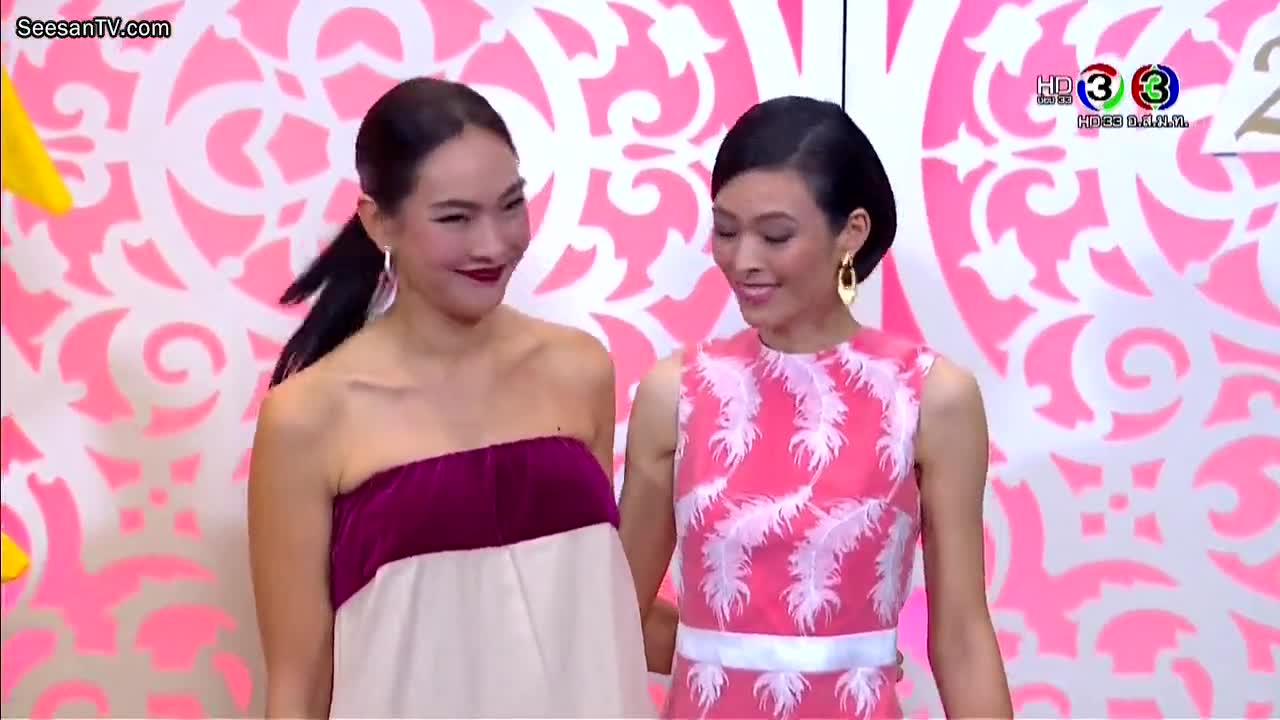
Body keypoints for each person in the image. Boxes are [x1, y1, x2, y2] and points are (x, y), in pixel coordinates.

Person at [246, 77, 654, 719]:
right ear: (379, 221)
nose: (493, 244)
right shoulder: (309, 416)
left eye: (511, 205)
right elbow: (298, 686)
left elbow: (594, 596)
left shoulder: (579, 370)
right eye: (456, 218)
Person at [619, 96, 1014, 719]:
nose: (743, 260)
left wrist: (847, 662)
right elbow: (617, 617)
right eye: (726, 231)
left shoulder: (931, 397)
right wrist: (733, 653)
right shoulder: (676, 392)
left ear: (851, 232)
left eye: (775, 235)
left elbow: (961, 636)